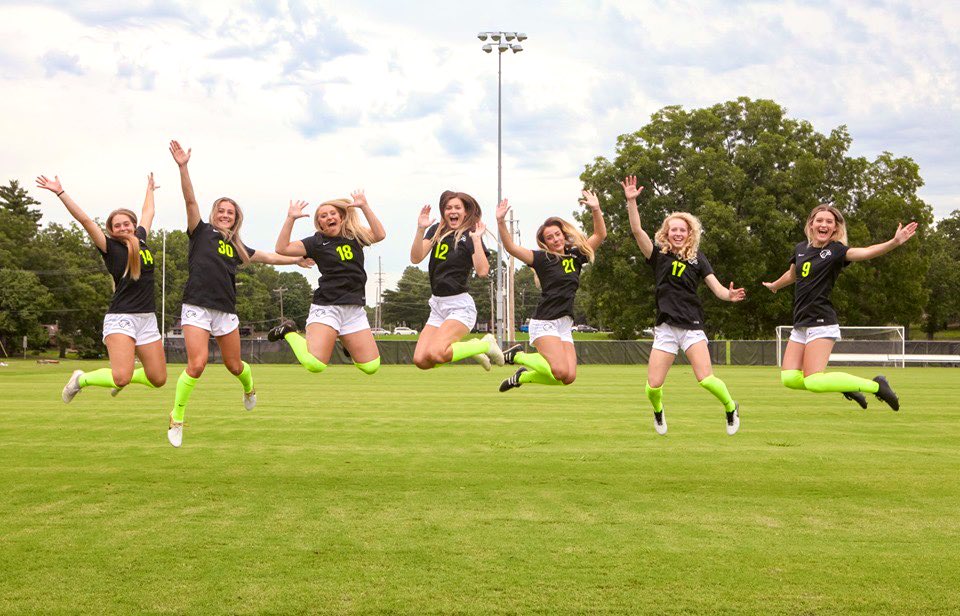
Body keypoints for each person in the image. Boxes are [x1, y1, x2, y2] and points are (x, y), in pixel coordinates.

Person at [166, 140, 311, 448]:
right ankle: (177, 417)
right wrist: (183, 167)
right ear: (214, 214)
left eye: (230, 212)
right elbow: (190, 201)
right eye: (221, 210)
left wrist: (297, 259)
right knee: (198, 364)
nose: (225, 214)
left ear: (236, 218)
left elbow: (271, 257)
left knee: (235, 366)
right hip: (196, 307)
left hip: (225, 312)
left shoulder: (238, 248)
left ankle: (249, 388)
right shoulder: (200, 231)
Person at [622, 176, 746, 436]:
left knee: (705, 379)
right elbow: (637, 231)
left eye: (682, 230)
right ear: (666, 233)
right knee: (653, 386)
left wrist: (729, 295)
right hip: (666, 328)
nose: (677, 233)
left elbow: (718, 288)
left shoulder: (699, 259)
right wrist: (632, 202)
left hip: (691, 327)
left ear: (690, 233)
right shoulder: (658, 256)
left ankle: (730, 407)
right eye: (673, 230)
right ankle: (658, 412)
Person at [763, 203, 917, 411]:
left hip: (821, 321)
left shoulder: (835, 251)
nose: (824, 224)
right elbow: (793, 274)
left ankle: (876, 386)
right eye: (819, 220)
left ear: (835, 228)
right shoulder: (801, 249)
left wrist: (894, 242)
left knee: (814, 381)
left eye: (829, 222)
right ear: (811, 224)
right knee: (789, 378)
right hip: (801, 323)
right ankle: (846, 386)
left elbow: (866, 252)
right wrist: (775, 285)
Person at [37, 173, 167, 402]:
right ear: (111, 230)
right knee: (121, 378)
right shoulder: (110, 247)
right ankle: (80, 380)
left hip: (147, 318)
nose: (123, 227)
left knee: (158, 379)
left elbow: (148, 212)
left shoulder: (141, 240)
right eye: (117, 225)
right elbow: (86, 221)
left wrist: (150, 190)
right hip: (121, 317)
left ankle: (119, 377)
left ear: (133, 226)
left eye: (126, 223)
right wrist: (60, 192)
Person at [496, 189, 606, 392]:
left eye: (557, 234)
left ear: (563, 235)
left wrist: (596, 209)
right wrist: (501, 221)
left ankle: (522, 377)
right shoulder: (541, 259)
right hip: (545, 322)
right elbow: (511, 247)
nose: (555, 239)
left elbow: (600, 234)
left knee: (568, 377)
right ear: (544, 242)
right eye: (550, 237)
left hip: (564, 324)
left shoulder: (576, 256)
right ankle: (516, 356)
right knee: (558, 370)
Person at [268, 194, 386, 375]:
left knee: (371, 367)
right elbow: (282, 248)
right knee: (315, 364)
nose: (329, 217)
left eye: (332, 213)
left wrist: (364, 206)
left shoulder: (355, 236)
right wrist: (291, 218)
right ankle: (288, 331)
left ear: (341, 217)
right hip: (327, 307)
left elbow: (380, 234)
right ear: (319, 223)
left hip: (354, 309)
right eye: (323, 216)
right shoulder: (316, 242)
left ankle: (348, 342)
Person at [409, 190, 503, 371]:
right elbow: (416, 257)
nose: (453, 211)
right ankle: (472, 348)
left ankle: (484, 345)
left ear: (466, 211)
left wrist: (476, 240)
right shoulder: (436, 230)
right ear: (443, 212)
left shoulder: (470, 235)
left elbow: (483, 271)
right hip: (437, 305)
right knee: (421, 360)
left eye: (457, 207)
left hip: (460, 306)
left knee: (437, 353)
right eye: (448, 208)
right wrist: (420, 229)